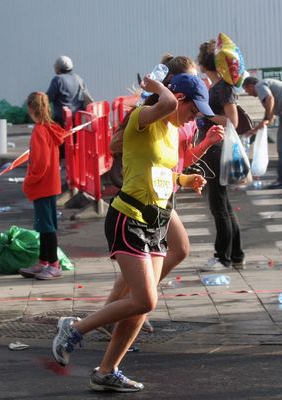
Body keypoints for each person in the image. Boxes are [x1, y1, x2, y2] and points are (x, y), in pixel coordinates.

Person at [51, 73, 213, 392]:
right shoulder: (143, 118)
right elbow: (167, 102)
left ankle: (106, 371)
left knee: (141, 304)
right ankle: (74, 328)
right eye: (193, 111)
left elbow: (161, 171)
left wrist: (185, 180)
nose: (193, 119)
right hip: (129, 219)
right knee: (145, 299)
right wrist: (158, 87)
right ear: (179, 100)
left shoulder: (171, 130)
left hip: (156, 222)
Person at [105, 55, 224, 333]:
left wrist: (206, 144)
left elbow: (181, 161)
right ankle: (124, 309)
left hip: (165, 191)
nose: (194, 115)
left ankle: (130, 306)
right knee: (168, 253)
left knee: (170, 253)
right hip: (146, 197)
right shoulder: (161, 114)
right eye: (191, 77)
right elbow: (124, 145)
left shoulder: (183, 119)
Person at [196, 40, 245, 271]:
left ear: (204, 63)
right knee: (224, 204)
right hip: (215, 148)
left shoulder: (222, 88)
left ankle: (223, 257)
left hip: (218, 149)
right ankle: (235, 255)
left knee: (219, 206)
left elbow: (232, 121)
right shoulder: (217, 86)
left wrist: (205, 114)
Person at [17, 92, 66, 280]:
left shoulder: (39, 130)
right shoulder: (50, 128)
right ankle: (44, 261)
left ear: (31, 109)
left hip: (42, 185)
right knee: (45, 224)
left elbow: (40, 163)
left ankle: (53, 264)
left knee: (46, 226)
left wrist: (29, 180)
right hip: (50, 184)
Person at [242, 76, 282, 189]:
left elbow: (270, 99)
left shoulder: (259, 85)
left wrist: (267, 118)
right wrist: (257, 128)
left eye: (247, 90)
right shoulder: (267, 83)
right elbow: (269, 111)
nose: (248, 94)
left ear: (251, 86)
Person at [46, 55, 86, 128]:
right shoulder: (78, 78)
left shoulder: (58, 79)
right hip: (77, 119)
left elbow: (48, 98)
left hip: (62, 120)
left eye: (55, 65)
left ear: (58, 67)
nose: (54, 66)